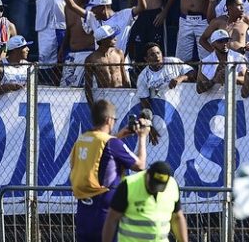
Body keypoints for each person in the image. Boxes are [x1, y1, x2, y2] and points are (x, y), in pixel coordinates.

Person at [69, 99, 150, 242]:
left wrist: (118, 136)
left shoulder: (82, 139)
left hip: (83, 209)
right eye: (114, 119)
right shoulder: (112, 143)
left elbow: (100, 155)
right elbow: (140, 165)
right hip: (104, 210)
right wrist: (142, 137)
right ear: (108, 120)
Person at [101, 161, 189, 242]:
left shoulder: (172, 185)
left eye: (160, 186)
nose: (156, 189)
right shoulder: (129, 185)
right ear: (147, 174)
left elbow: (177, 217)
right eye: (154, 184)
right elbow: (112, 219)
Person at [136, 43, 195, 110]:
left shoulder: (173, 62)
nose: (157, 56)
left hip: (182, 105)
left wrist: (180, 79)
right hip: (159, 110)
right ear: (146, 59)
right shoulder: (143, 76)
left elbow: (192, 72)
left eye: (158, 53)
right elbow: (145, 103)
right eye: (152, 55)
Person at [85, 25, 129, 107]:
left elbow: (125, 78)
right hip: (104, 96)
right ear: (103, 40)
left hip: (121, 94)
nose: (115, 39)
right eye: (112, 37)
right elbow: (88, 86)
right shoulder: (91, 59)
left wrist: (128, 95)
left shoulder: (119, 53)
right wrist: (92, 106)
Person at [196, 29, 247, 93]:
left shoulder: (238, 57)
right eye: (220, 41)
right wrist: (215, 80)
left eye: (226, 40)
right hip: (212, 99)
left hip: (235, 97)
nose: (224, 44)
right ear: (213, 45)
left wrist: (230, 78)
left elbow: (245, 79)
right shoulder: (205, 62)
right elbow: (199, 89)